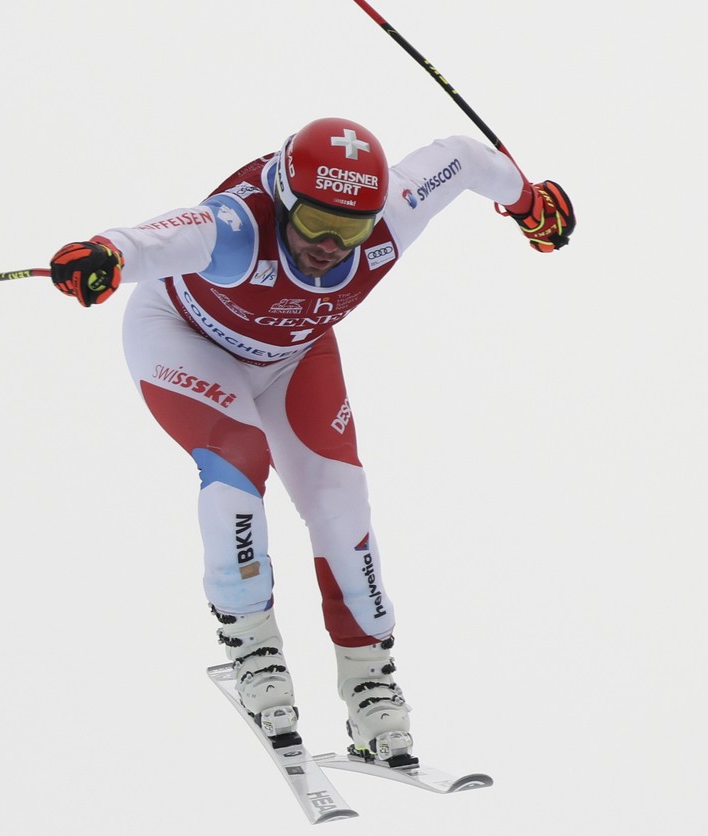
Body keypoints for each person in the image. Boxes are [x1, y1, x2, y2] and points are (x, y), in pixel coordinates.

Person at [47, 117, 573, 768]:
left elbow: (465, 159)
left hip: (293, 353)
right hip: (186, 340)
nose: (330, 244)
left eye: (350, 229)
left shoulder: (394, 213)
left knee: (341, 501)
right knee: (240, 462)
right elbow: (155, 238)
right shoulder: (237, 228)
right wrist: (105, 255)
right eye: (316, 224)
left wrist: (529, 204)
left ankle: (370, 681)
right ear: (285, 203)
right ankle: (252, 645)